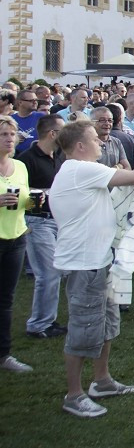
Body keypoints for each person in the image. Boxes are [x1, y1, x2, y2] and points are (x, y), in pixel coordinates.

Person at [51, 120, 134, 417]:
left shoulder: (81, 172)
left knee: (106, 325)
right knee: (83, 330)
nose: (101, 143)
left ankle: (102, 380)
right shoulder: (80, 169)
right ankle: (74, 394)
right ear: (80, 146)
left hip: (100, 261)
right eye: (95, 139)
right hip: (86, 265)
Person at [17, 113, 66, 340]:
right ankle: (38, 324)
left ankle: (47, 320)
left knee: (56, 272)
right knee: (48, 274)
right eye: (63, 130)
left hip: (57, 220)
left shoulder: (58, 156)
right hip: (37, 222)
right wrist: (43, 195)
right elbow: (20, 195)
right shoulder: (26, 159)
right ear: (52, 133)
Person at [0, 115, 32, 373]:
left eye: (12, 135)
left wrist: (36, 202)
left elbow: (27, 200)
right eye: (3, 135)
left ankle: (4, 354)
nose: (10, 139)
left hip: (16, 237)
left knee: (6, 299)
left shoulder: (20, 166)